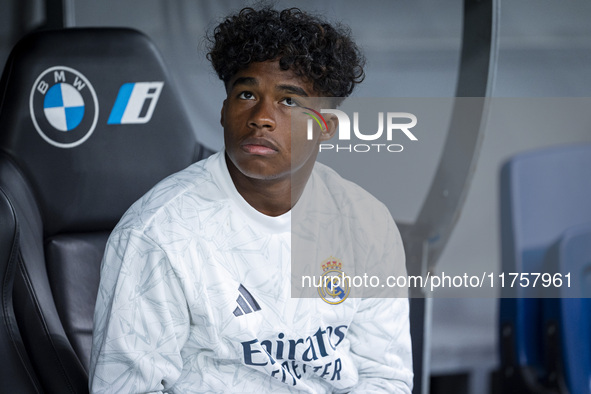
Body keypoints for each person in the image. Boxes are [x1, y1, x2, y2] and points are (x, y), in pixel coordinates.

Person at [89, 6, 413, 393]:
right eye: (246, 94)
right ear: (225, 112)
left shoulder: (366, 223)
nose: (262, 117)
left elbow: (384, 377)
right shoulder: (159, 232)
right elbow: (123, 387)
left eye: (289, 101)